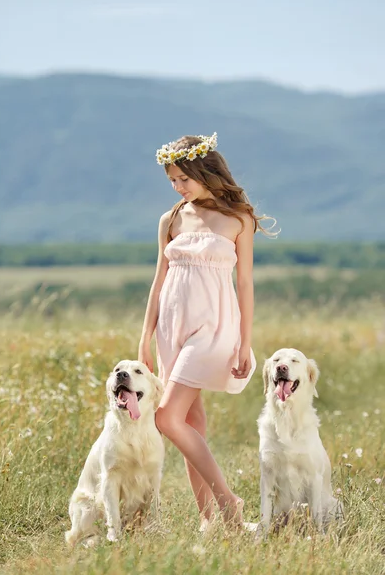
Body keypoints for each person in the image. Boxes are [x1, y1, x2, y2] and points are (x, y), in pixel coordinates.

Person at [138, 132, 274, 531]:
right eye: (172, 181)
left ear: (205, 171)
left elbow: (245, 283)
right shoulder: (171, 219)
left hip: (214, 327)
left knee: (166, 418)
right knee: (190, 421)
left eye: (184, 178)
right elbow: (158, 280)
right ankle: (209, 520)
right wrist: (144, 336)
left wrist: (245, 342)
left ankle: (229, 503)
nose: (178, 187)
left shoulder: (239, 219)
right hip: (172, 325)